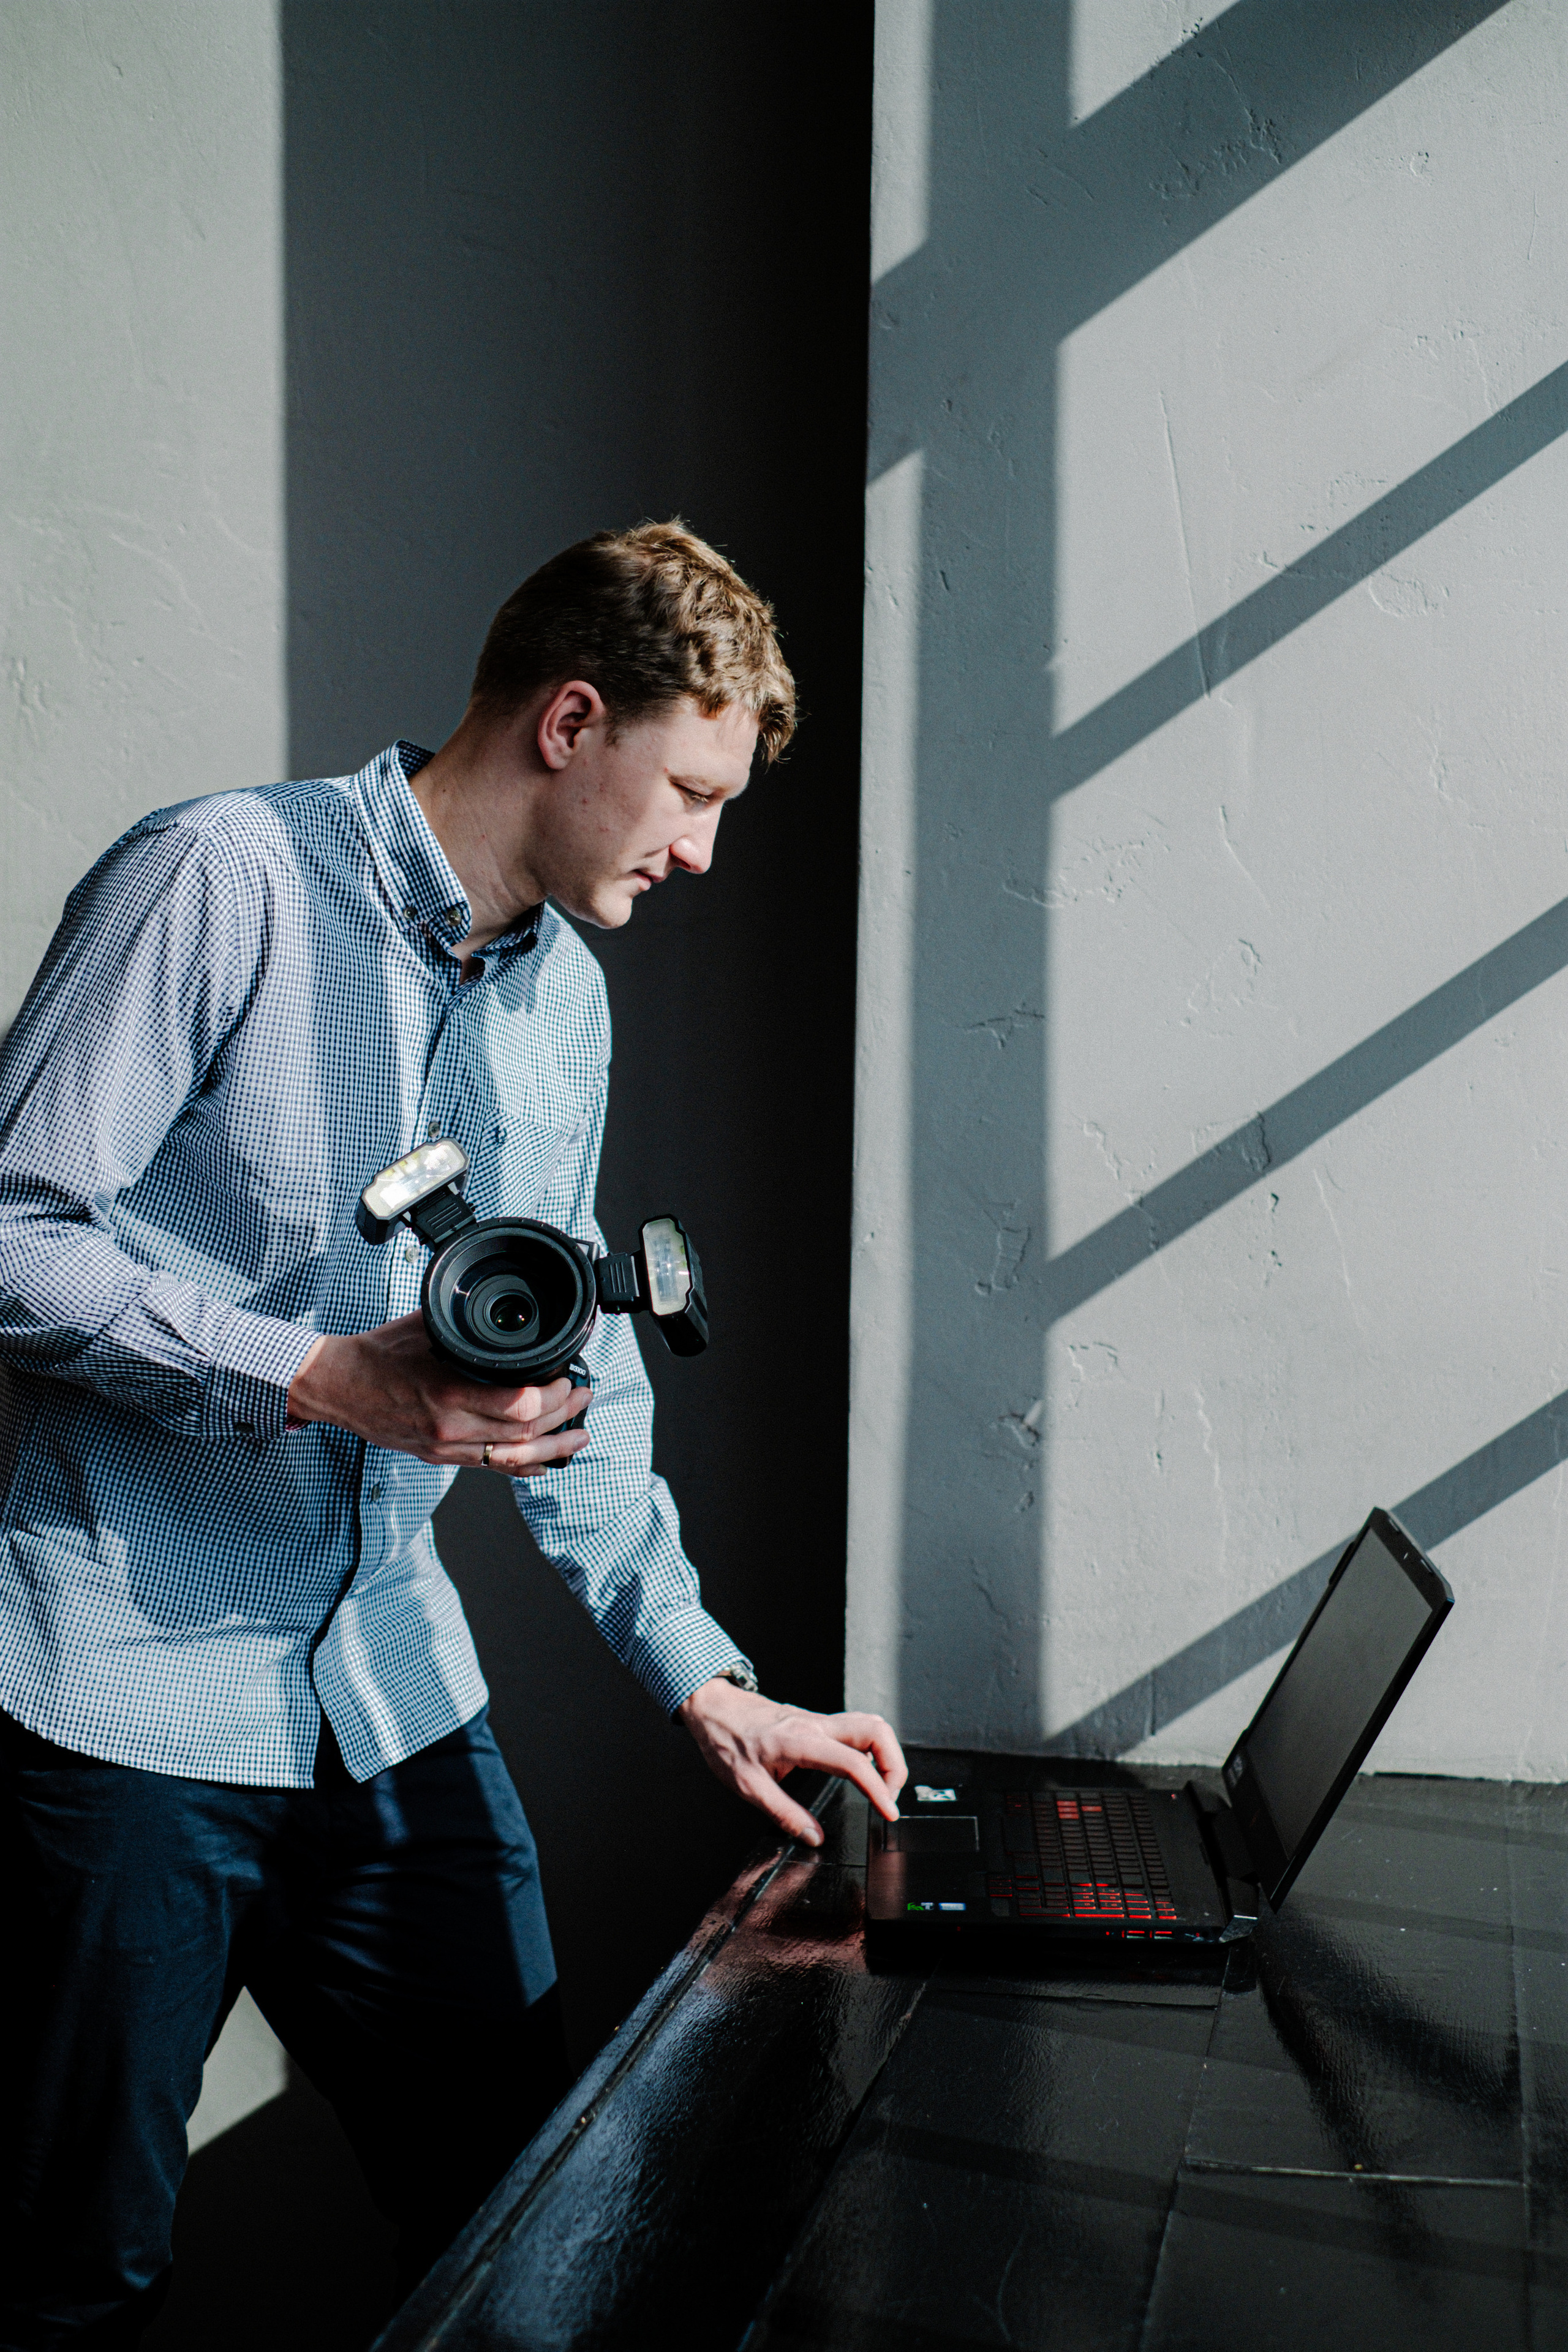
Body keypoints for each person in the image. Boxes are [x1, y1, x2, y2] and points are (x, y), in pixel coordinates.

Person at [0, 521, 907, 2345]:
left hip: (390, 1699)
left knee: (539, 2233)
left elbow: (581, 1349)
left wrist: (697, 1669)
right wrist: (319, 1374)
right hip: (119, 1704)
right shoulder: (220, 878)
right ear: (573, 720)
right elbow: (12, 1232)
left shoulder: (565, 994)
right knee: (64, 2285)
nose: (702, 849)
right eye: (692, 790)